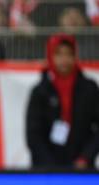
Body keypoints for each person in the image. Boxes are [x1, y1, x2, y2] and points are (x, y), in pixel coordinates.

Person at [26, 34, 99, 169]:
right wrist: (51, 167)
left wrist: (85, 158)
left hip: (83, 168)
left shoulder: (89, 88)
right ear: (50, 56)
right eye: (58, 54)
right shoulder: (40, 91)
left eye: (69, 54)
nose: (64, 59)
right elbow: (33, 135)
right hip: (46, 170)